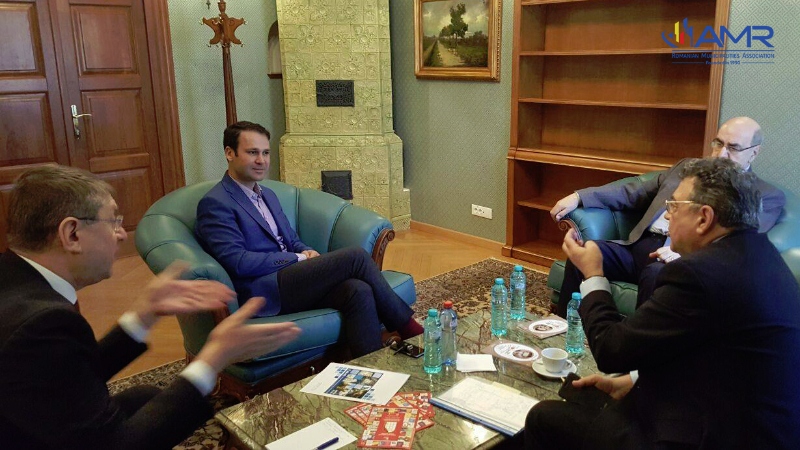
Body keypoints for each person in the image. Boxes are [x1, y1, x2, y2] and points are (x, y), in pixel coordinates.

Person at [0, 165, 301, 450]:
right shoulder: (42, 324)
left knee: (143, 398)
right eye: (113, 221)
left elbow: (66, 376)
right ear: (72, 234)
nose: (121, 234)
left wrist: (143, 315)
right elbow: (119, 445)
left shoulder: (15, 282)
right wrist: (213, 358)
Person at [526, 158, 800, 449]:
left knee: (544, 417)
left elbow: (610, 350)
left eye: (674, 206)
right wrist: (635, 381)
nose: (667, 215)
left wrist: (593, 275)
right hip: (751, 422)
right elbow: (711, 355)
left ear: (704, 218)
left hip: (718, 436)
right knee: (590, 400)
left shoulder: (700, 275)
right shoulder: (764, 256)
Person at [195, 121, 422, 358]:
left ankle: (370, 368)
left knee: (358, 289)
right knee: (355, 256)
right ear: (229, 153)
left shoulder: (268, 194)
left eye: (265, 153)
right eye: (252, 152)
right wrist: (297, 258)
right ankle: (409, 329)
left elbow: (290, 239)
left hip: (291, 280)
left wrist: (307, 251)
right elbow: (238, 262)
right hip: (264, 291)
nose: (261, 160)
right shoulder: (216, 203)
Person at [550, 116, 786, 315]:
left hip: (679, 260)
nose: (721, 154)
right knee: (584, 252)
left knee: (656, 274)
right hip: (638, 248)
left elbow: (737, 243)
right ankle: (560, 330)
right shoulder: (687, 168)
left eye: (733, 148)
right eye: (718, 143)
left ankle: (637, 352)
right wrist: (579, 197)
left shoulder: (763, 195)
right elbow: (635, 190)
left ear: (754, 153)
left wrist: (685, 254)